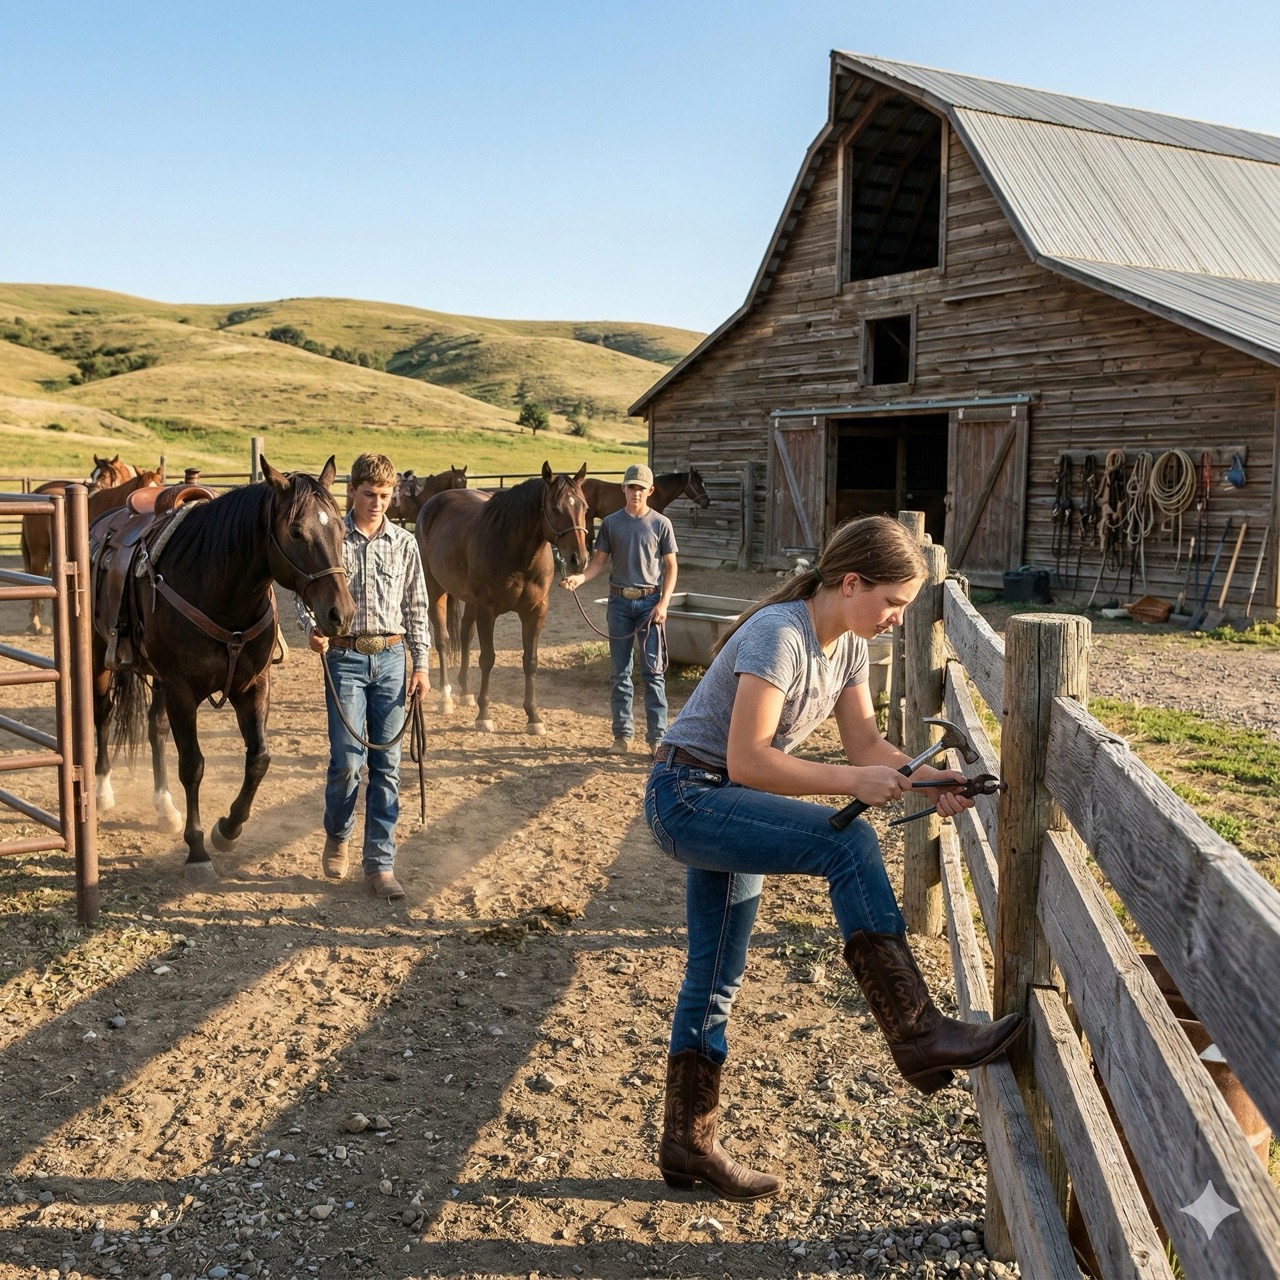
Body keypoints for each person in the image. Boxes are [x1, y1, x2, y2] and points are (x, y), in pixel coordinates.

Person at [643, 515, 1024, 1201]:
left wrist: (933, 781)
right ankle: (916, 1030)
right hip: (688, 795)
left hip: (730, 801)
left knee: (717, 971)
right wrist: (854, 784)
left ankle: (686, 1143)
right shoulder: (779, 635)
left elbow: (868, 749)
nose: (896, 619)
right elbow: (748, 759)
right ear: (851, 583)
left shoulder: (848, 646)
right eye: (892, 603)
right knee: (847, 841)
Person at [297, 452, 431, 901]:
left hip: (391, 657)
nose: (377, 503)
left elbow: (416, 607)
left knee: (387, 765)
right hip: (345, 657)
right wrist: (312, 629)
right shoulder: (333, 538)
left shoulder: (404, 543)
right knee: (347, 762)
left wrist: (421, 665)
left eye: (385, 496)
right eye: (370, 494)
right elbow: (305, 592)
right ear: (352, 491)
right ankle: (338, 832)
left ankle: (380, 864)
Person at [561, 463, 678, 756]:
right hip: (619, 604)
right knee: (620, 673)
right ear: (623, 489)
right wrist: (580, 578)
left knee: (653, 673)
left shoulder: (661, 524)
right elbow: (599, 562)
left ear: (650, 491)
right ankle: (622, 735)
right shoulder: (611, 523)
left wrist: (663, 603)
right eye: (631, 487)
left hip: (650, 604)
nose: (636, 492)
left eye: (641, 488)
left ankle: (657, 738)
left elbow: (671, 567)